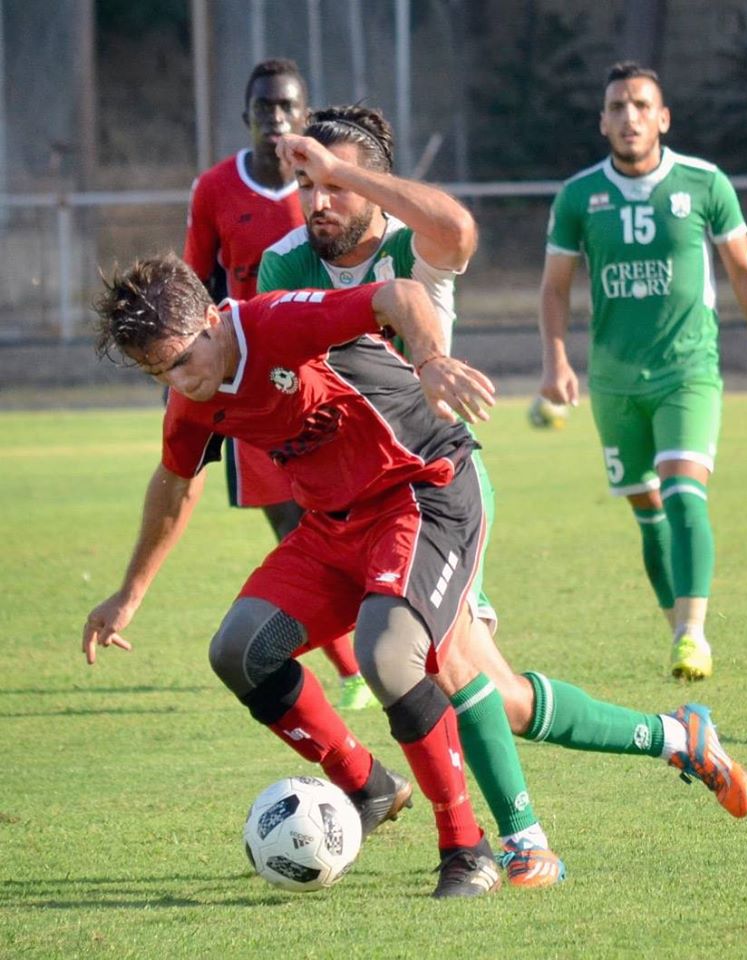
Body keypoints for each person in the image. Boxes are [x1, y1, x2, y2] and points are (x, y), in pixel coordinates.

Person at [85, 254, 503, 899]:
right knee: (238, 651)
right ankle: (368, 786)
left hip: (422, 491)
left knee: (387, 657)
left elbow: (398, 294)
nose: (177, 382)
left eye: (180, 361)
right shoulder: (191, 401)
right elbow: (175, 484)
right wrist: (129, 593)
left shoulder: (277, 323)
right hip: (334, 526)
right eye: (157, 373)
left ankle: (467, 849)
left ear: (210, 319)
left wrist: (430, 361)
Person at [259, 105, 567, 886]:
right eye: (307, 185)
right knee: (490, 690)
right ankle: (673, 739)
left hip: (436, 484)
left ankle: (521, 843)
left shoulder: (410, 245)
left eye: (333, 185)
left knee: (452, 670)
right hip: (362, 501)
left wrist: (342, 169)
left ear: (374, 184)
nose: (318, 200)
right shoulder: (284, 264)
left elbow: (458, 230)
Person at [538, 61, 747, 680]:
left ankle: (693, 633)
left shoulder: (704, 183)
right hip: (614, 382)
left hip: (688, 370)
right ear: (602, 122)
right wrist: (556, 358)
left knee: (684, 492)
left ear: (663, 118)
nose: (629, 116)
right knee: (647, 509)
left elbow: (744, 271)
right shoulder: (578, 196)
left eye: (641, 105)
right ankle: (679, 633)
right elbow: (555, 287)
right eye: (617, 106)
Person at [182, 58, 372, 709]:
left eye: (288, 107)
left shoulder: (323, 187)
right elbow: (195, 284)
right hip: (252, 394)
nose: (277, 119)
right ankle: (352, 671)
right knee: (294, 531)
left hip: (333, 381)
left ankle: (392, 643)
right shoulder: (215, 189)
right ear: (247, 116)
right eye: (265, 107)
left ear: (305, 114)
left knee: (349, 519)